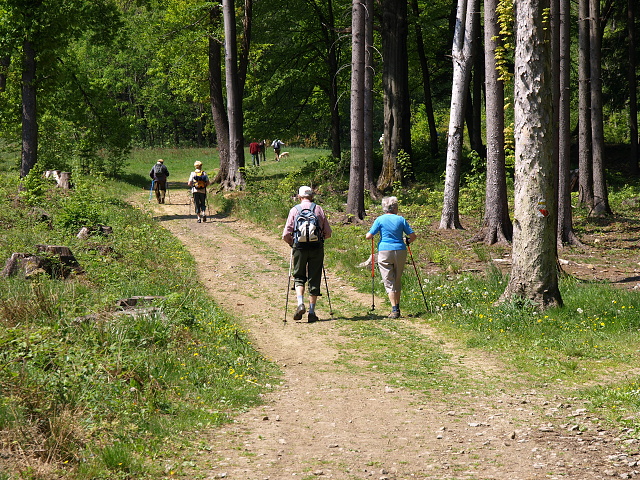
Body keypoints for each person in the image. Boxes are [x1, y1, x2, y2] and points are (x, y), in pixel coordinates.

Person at [282, 186, 332, 323]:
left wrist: (292, 243)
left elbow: (286, 234)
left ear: (299, 197)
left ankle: (300, 303)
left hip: (299, 247)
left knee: (299, 276)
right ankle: (311, 311)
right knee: (314, 278)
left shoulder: (295, 210)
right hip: (316, 247)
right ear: (312, 196)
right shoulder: (318, 209)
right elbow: (328, 233)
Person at [365, 196, 417, 319]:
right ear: (395, 208)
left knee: (389, 280)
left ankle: (394, 309)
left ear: (384, 208)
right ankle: (397, 307)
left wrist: (371, 235)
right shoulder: (401, 219)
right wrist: (407, 240)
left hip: (385, 251)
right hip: (400, 250)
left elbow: (369, 236)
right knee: (397, 278)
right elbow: (413, 236)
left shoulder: (380, 219)